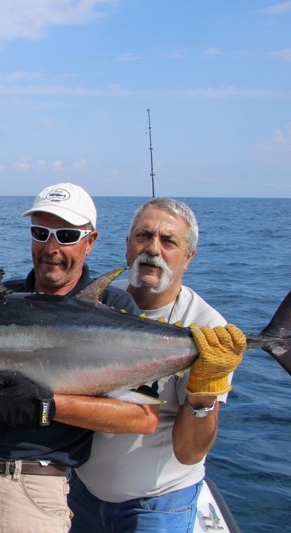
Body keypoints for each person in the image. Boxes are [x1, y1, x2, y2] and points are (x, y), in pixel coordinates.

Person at [0, 182, 156, 533]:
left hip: (29, 493)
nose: (52, 248)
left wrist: (47, 406)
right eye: (41, 232)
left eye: (67, 235)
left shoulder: (114, 310)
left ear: (91, 241)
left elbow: (142, 419)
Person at [69, 197, 246, 533]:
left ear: (189, 256)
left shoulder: (208, 330)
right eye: (143, 236)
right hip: (81, 495)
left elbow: (191, 451)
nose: (153, 249)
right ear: (127, 245)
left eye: (168, 241)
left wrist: (203, 394)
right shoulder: (96, 302)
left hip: (157, 508)